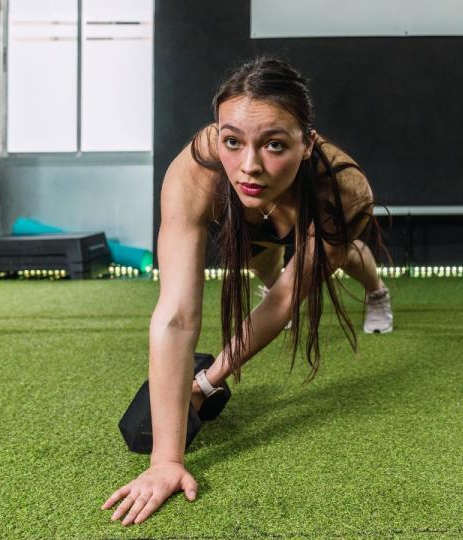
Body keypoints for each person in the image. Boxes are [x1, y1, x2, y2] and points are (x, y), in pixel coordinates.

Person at [101, 58, 393, 526]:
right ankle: (271, 252)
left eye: (275, 144)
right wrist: (165, 461)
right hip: (255, 224)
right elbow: (176, 315)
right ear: (219, 134)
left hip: (317, 218)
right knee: (261, 260)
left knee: (348, 257)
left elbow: (281, 301)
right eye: (233, 141)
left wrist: (207, 379)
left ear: (306, 143)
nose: (250, 165)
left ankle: (378, 293)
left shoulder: (344, 188)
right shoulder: (196, 172)